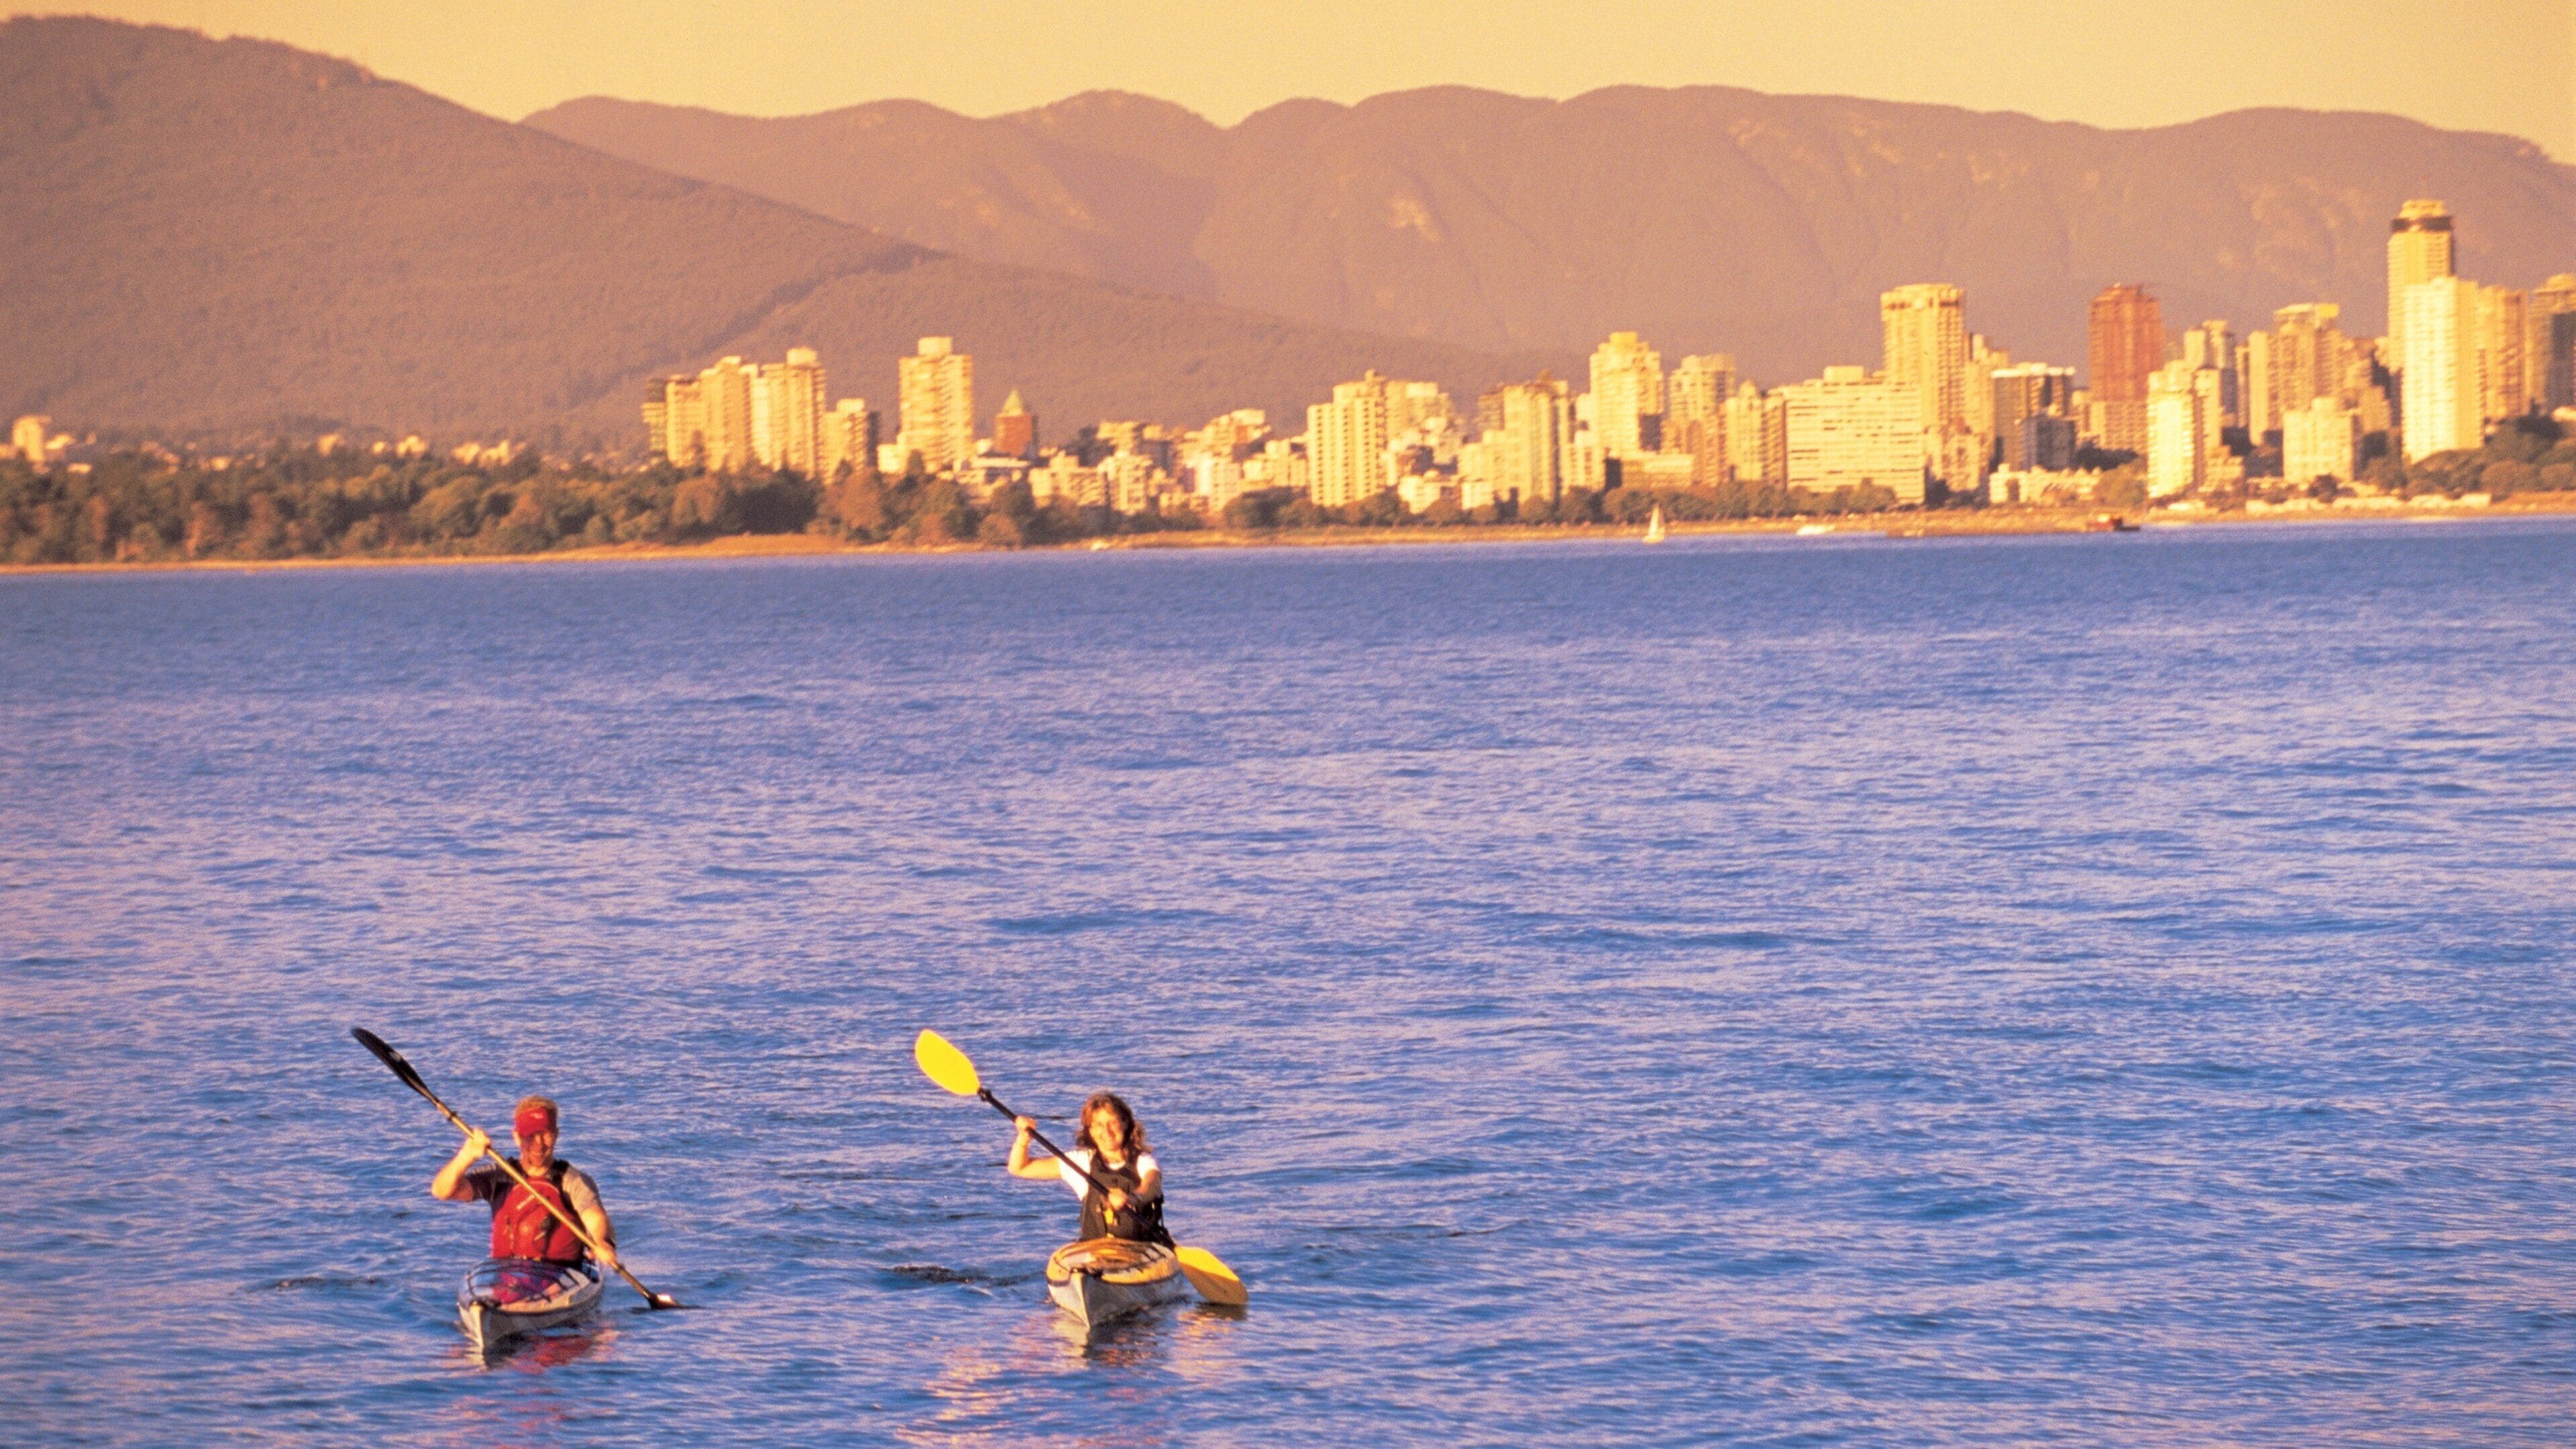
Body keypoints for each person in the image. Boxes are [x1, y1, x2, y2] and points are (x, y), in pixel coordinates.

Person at [431, 1095, 619, 1271]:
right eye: (531, 1134)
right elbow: (442, 1191)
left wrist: (601, 1242)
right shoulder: (499, 1176)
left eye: (546, 1134)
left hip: (561, 1273)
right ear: (516, 1137)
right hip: (507, 1275)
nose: (539, 1143)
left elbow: (594, 1216)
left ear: (556, 1135)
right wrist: (466, 1156)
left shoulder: (573, 1181)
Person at [1007, 1091, 1172, 1244]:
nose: (1107, 1131)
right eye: (1098, 1125)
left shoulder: (1144, 1161)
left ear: (1125, 1123)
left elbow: (1152, 1185)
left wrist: (1131, 1198)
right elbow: (1020, 1168)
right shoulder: (1081, 1163)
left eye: (1112, 1122)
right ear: (1090, 1131)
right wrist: (1023, 1138)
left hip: (1142, 1251)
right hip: (1095, 1253)